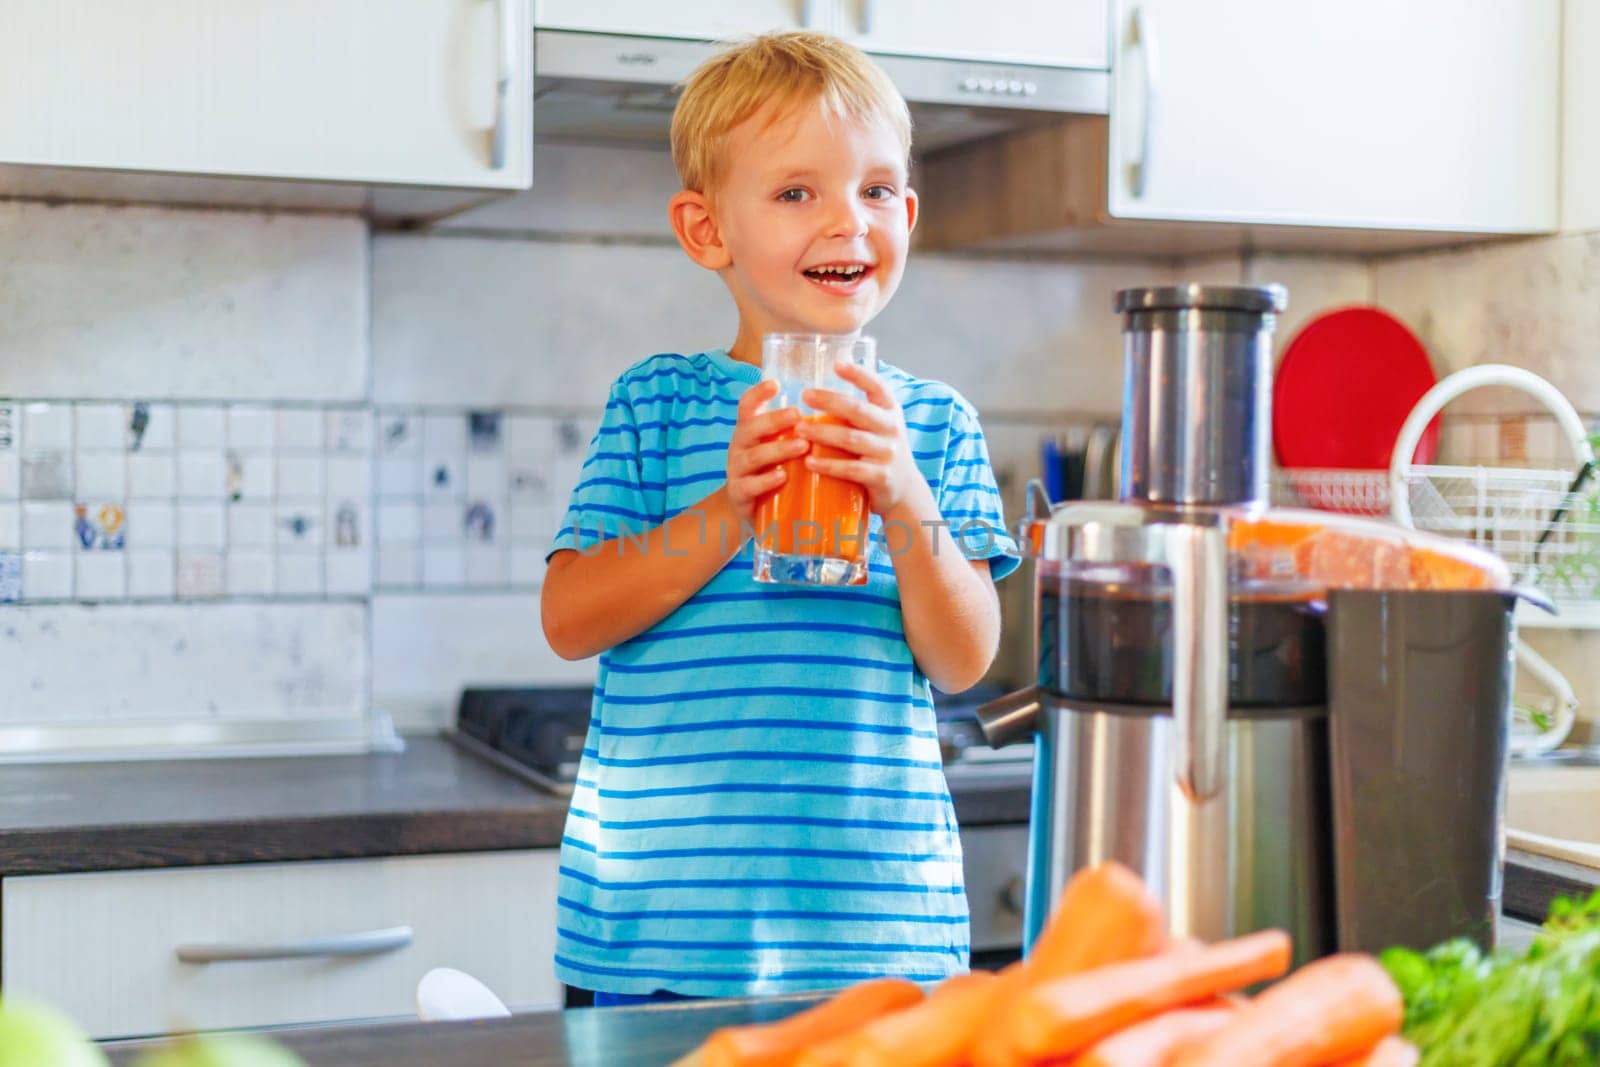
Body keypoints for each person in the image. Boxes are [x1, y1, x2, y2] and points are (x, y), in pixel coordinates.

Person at [540, 30, 1020, 1005]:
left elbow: (964, 657)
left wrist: (903, 494)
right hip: (662, 928)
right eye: (797, 192)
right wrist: (729, 506)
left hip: (877, 930)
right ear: (706, 229)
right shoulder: (659, 404)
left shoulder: (931, 424)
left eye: (876, 190)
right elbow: (570, 617)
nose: (847, 220)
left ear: (908, 215)